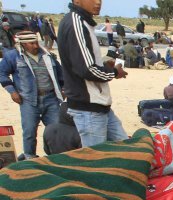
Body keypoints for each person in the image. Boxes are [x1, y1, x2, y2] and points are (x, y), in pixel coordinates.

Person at [57, 0, 128, 147]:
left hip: (99, 105)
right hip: (88, 108)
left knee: (125, 149)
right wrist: (114, 72)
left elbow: (82, 62)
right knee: (96, 161)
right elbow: (86, 69)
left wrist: (105, 66)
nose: (98, 2)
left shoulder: (84, 22)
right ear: (77, 1)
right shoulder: (76, 23)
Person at [0, 31, 64, 159]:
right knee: (29, 132)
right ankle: (30, 158)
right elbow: (2, 73)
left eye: (36, 42)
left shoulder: (48, 55)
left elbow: (60, 73)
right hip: (28, 100)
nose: (35, 46)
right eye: (32, 43)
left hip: (51, 99)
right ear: (23, 44)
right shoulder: (13, 56)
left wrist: (63, 89)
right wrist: (12, 91)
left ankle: (57, 157)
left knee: (57, 130)